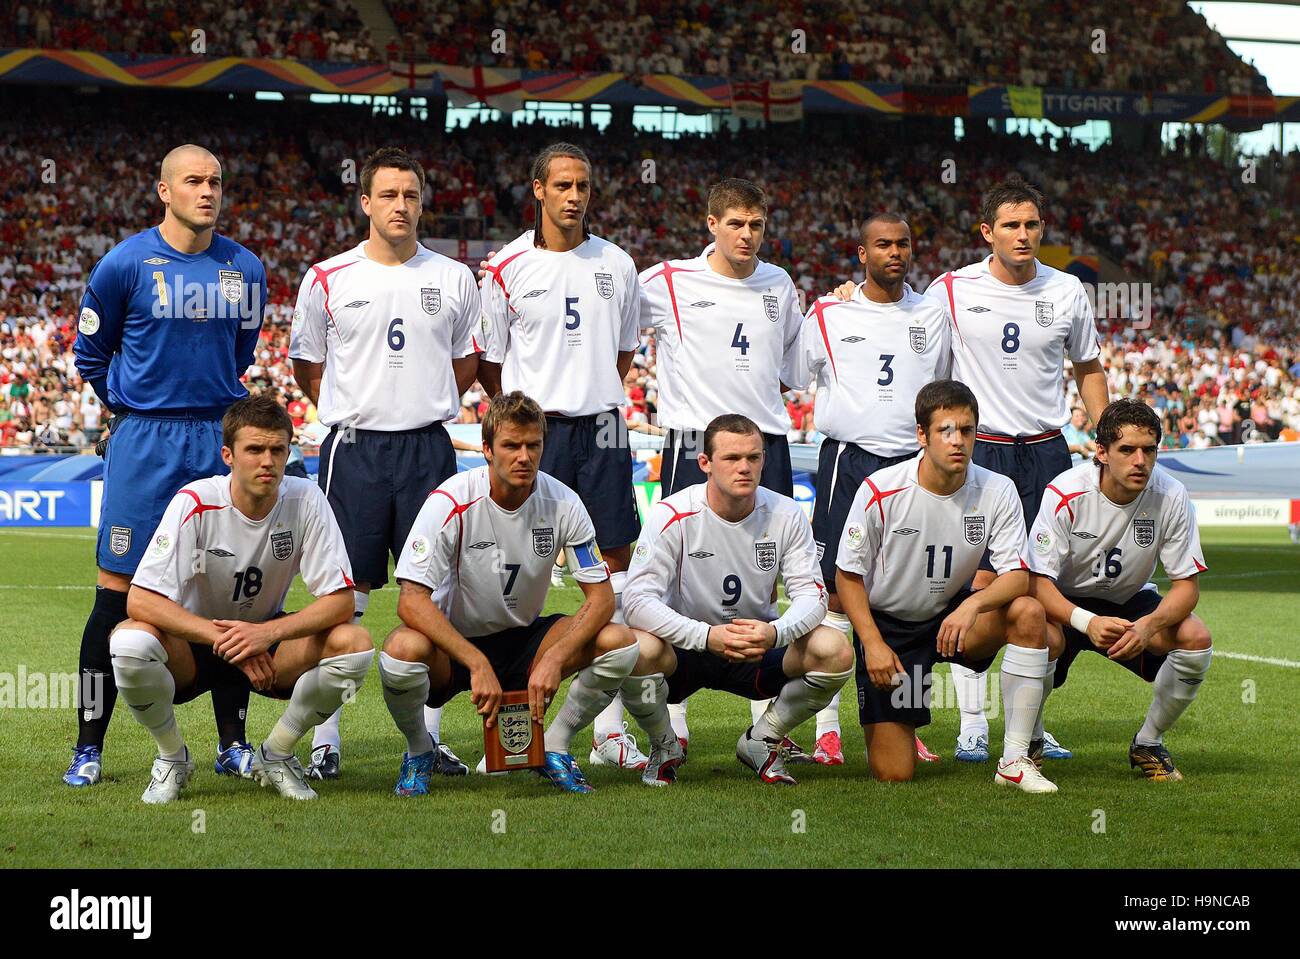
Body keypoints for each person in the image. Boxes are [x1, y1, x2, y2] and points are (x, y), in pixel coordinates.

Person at [66, 143, 267, 788]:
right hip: (145, 442)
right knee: (114, 596)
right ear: (164, 190)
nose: (207, 191)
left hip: (216, 437)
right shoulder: (124, 264)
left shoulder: (244, 268)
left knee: (223, 590)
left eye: (215, 180)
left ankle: (232, 742)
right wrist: (137, 414)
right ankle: (88, 746)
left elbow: (239, 351)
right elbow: (91, 356)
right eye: (193, 181)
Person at [289, 147, 483, 780]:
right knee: (345, 594)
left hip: (429, 446)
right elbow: (307, 366)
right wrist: (357, 410)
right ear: (365, 202)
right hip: (356, 449)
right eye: (389, 195)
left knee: (432, 594)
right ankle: (327, 738)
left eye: (411, 195)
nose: (401, 206)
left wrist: (417, 406)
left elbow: (466, 364)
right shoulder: (327, 277)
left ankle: (425, 741)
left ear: (421, 202)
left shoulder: (454, 277)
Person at [608, 177, 808, 766]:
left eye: (757, 225)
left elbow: (796, 365)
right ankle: (671, 720)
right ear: (712, 224)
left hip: (766, 437)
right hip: (695, 439)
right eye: (736, 224)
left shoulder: (780, 284)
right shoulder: (667, 280)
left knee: (766, 576)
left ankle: (767, 724)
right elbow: (605, 313)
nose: (747, 236)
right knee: (671, 581)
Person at [924, 175, 1106, 763]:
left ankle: (1029, 727)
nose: (1023, 235)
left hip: (1049, 454)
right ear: (987, 232)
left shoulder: (1068, 290)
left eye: (1031, 224)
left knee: (1048, 588)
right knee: (978, 585)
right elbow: (915, 355)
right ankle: (972, 724)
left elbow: (1089, 368)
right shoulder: (950, 289)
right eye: (1011, 225)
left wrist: (1104, 437)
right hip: (979, 454)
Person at [109, 396, 373, 803]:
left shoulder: (306, 499)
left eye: (277, 450)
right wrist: (228, 639)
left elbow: (340, 602)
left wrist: (266, 634)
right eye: (254, 450)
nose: (267, 461)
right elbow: (141, 601)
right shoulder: (196, 501)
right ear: (228, 455)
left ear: (288, 452)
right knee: (129, 642)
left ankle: (277, 753)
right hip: (194, 645)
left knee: (354, 646)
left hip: (267, 648)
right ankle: (171, 757)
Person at [478, 142, 645, 772]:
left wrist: (589, 392)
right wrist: (527, 423)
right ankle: (504, 721)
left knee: (610, 564)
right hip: (535, 431)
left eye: (584, 186)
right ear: (538, 190)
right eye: (564, 185)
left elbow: (623, 352)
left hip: (600, 426)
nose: (575, 196)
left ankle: (608, 729)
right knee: (518, 568)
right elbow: (491, 364)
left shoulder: (619, 264)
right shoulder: (504, 268)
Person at [379, 391, 639, 794]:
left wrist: (555, 658)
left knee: (619, 642)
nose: (524, 456)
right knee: (400, 650)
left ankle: (555, 746)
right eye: (511, 446)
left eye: (533, 445)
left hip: (525, 640)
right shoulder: (450, 500)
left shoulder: (564, 502)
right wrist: (476, 662)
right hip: (455, 645)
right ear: (486, 449)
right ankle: (418, 751)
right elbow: (411, 600)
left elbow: (601, 597)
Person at [835, 380, 1057, 792]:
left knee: (1029, 613)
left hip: (954, 619)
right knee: (893, 774)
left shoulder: (997, 488)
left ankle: (1015, 759)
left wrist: (971, 607)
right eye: (946, 431)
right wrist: (873, 643)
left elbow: (1017, 576)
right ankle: (895, 719)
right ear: (922, 435)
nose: (958, 441)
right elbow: (847, 577)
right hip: (893, 628)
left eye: (967, 430)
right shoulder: (881, 489)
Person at [619, 413, 853, 786]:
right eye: (731, 458)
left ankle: (762, 740)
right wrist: (705, 637)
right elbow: (635, 600)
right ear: (705, 464)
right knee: (636, 649)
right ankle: (664, 746)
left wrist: (774, 633)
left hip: (755, 647)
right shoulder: (673, 513)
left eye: (753, 458)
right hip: (687, 650)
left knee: (834, 648)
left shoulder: (785, 513)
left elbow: (812, 595)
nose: (744, 467)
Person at [804, 212, 952, 765]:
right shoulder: (829, 311)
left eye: (904, 244)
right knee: (838, 594)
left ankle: (903, 719)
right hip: (851, 461)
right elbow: (797, 372)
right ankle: (826, 729)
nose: (895, 252)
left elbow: (940, 386)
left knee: (909, 596)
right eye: (882, 245)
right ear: (861, 254)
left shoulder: (932, 314)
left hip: (913, 465)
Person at [1028, 399, 1213, 781]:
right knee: (1037, 632)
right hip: (1065, 601)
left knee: (1195, 636)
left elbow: (1187, 589)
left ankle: (1148, 742)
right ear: (1101, 452)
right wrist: (1086, 621)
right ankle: (1028, 742)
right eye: (1127, 450)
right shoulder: (1065, 491)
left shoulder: (1171, 495)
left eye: (1149, 450)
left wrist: (1147, 627)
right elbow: (1037, 581)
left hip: (1129, 599)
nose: (1140, 461)